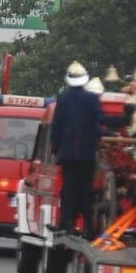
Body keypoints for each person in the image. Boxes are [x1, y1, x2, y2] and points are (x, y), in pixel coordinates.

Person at [50, 61, 102, 234]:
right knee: (86, 189)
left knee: (69, 188)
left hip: (68, 153)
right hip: (87, 153)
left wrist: (55, 149)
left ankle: (67, 223)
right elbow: (99, 121)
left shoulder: (63, 98)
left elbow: (57, 125)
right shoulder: (91, 99)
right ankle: (87, 226)